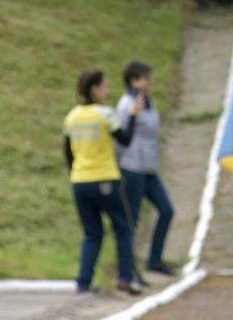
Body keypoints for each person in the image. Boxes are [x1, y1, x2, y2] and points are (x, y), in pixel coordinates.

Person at [64, 69, 143, 295]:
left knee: (92, 233)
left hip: (80, 180)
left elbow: (68, 153)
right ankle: (125, 278)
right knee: (123, 227)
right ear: (95, 89)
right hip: (105, 177)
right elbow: (125, 140)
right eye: (104, 86)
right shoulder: (105, 114)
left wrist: (77, 174)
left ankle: (83, 281)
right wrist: (133, 115)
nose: (107, 91)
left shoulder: (71, 117)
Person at [115, 60, 176, 279]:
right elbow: (120, 137)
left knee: (166, 210)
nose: (150, 82)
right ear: (134, 80)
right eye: (146, 78)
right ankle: (128, 267)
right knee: (132, 219)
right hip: (132, 167)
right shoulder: (127, 105)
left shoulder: (146, 102)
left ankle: (155, 259)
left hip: (149, 167)